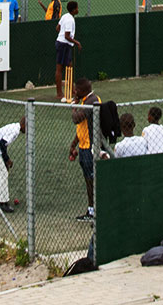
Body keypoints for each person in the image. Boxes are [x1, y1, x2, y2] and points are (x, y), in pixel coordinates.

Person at [68, 78, 100, 221]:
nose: (75, 92)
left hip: (89, 148)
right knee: (88, 179)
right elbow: (82, 127)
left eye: (77, 90)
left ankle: (93, 210)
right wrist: (74, 144)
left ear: (83, 90)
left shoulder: (91, 101)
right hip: (83, 146)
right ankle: (91, 209)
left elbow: (76, 119)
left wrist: (73, 105)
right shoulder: (86, 100)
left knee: (91, 180)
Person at [55, 0, 81, 101]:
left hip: (63, 44)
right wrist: (77, 42)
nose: (78, 10)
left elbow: (57, 28)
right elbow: (66, 36)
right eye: (77, 8)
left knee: (69, 67)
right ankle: (59, 93)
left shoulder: (65, 16)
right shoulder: (70, 20)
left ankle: (72, 90)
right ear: (74, 10)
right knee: (59, 69)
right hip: (63, 45)